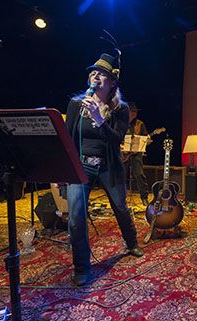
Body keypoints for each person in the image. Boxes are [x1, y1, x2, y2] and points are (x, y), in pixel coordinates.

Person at [65, 51, 144, 286]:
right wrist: (63, 173)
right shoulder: (76, 104)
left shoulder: (120, 109)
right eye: (93, 72)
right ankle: (81, 267)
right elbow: (68, 138)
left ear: (112, 82)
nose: (95, 76)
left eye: (102, 74)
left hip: (109, 165)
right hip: (81, 165)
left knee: (120, 206)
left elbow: (117, 139)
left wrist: (99, 118)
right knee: (76, 218)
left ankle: (131, 243)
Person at [124, 103, 150, 206]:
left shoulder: (140, 124)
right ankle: (121, 198)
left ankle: (144, 197)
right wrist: (121, 146)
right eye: (132, 111)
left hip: (136, 154)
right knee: (121, 175)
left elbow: (145, 138)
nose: (134, 113)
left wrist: (147, 140)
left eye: (135, 111)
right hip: (123, 154)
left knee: (139, 174)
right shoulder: (122, 123)